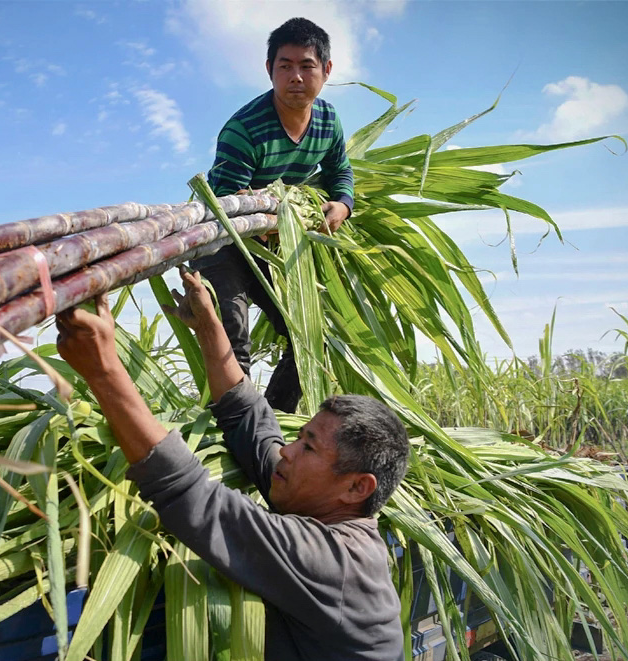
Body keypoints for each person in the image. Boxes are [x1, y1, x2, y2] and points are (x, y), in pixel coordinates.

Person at [55, 267, 410, 660]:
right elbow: (251, 424)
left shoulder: (334, 562)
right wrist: (208, 323)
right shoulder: (325, 510)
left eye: (308, 448)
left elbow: (195, 500)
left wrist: (104, 370)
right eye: (299, 437)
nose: (288, 451)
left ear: (357, 487)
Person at [190, 17, 355, 414]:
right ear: (269, 70)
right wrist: (270, 215)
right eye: (285, 66)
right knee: (233, 344)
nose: (296, 77)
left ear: (326, 70)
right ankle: (233, 436)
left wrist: (342, 204)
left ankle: (274, 423)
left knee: (309, 336)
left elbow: (340, 172)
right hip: (223, 243)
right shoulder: (244, 128)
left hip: (274, 248)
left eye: (306, 65)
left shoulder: (328, 123)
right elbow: (230, 201)